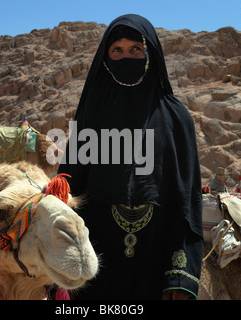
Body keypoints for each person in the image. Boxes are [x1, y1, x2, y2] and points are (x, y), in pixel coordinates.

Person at [57, 14, 203, 300]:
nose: (127, 57)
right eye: (117, 50)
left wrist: (179, 276)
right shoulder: (91, 114)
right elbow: (69, 190)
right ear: (106, 57)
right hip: (94, 262)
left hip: (155, 260)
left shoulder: (176, 118)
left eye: (136, 49)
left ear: (151, 55)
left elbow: (186, 201)